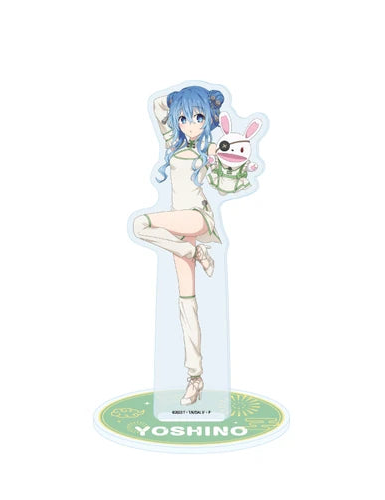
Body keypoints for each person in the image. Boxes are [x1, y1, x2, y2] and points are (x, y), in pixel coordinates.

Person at [133, 85, 224, 405]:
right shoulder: (173, 142)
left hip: (197, 218)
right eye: (183, 118)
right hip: (177, 232)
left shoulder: (210, 149)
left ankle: (194, 250)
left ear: (208, 118)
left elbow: (228, 170)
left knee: (140, 224)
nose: (190, 124)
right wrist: (178, 101)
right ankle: (195, 379)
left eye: (198, 117)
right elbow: (158, 106)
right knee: (187, 302)